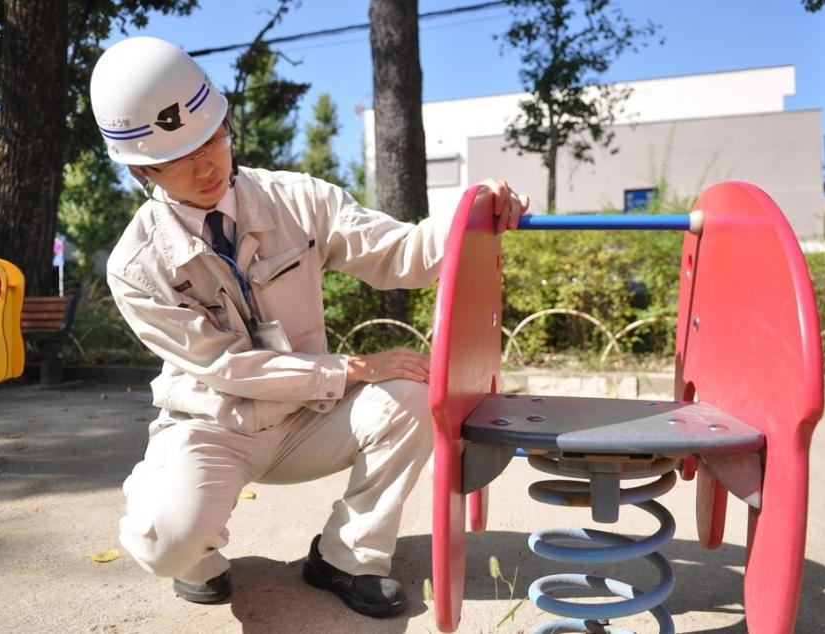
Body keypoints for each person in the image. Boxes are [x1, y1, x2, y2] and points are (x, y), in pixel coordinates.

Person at [90, 36, 528, 618]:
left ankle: (346, 556)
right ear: (142, 169)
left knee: (414, 396)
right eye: (179, 157)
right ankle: (183, 534)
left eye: (213, 138)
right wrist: (352, 369)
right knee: (167, 543)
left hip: (306, 418)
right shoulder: (136, 266)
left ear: (225, 124)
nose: (207, 164)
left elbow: (399, 253)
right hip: (214, 426)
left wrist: (470, 214)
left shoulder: (297, 200)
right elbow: (226, 366)